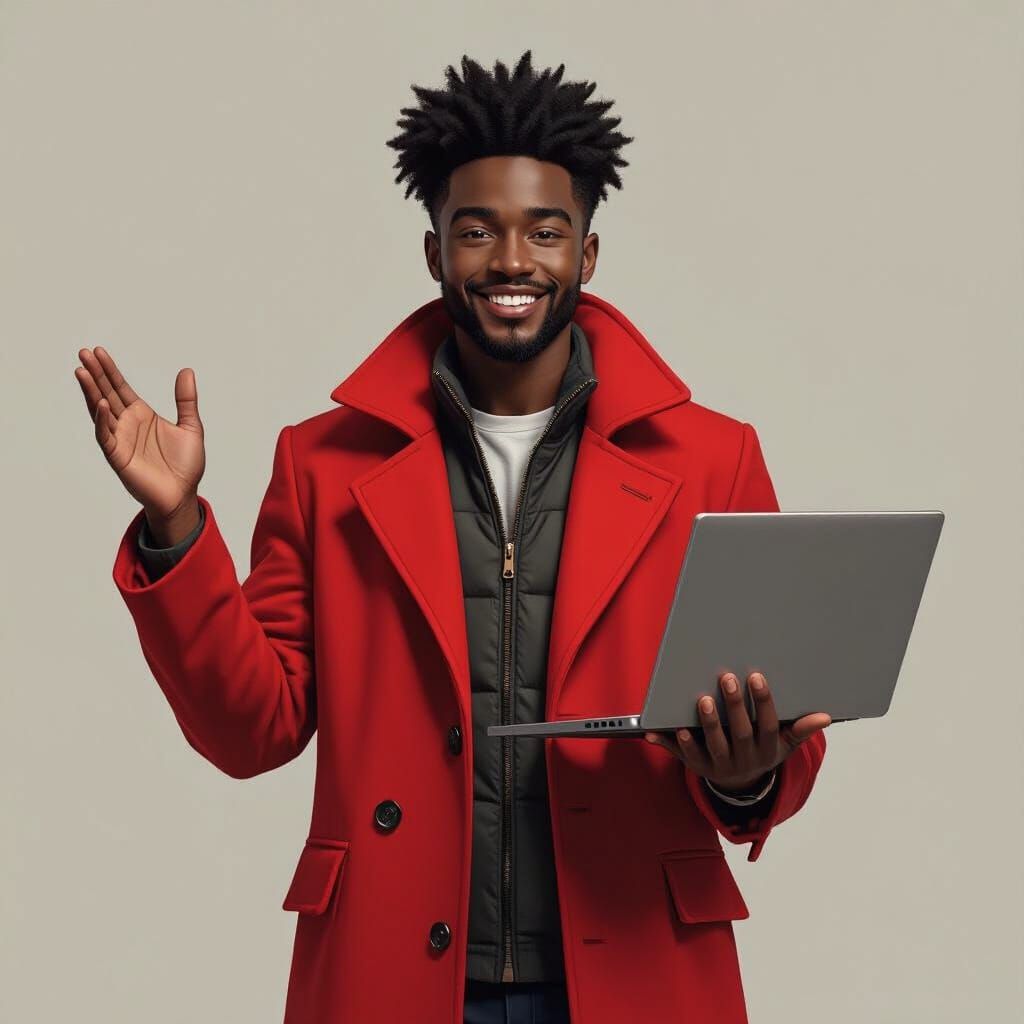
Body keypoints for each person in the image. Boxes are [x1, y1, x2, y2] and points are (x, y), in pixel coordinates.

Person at [75, 50, 831, 1024]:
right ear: (435, 253)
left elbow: (781, 727)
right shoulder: (322, 463)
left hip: (635, 968)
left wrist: (747, 775)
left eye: (545, 231)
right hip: (393, 972)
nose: (512, 260)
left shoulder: (712, 461)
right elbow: (250, 727)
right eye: (477, 231)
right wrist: (176, 527)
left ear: (588, 255)